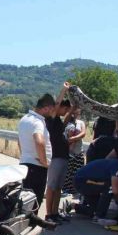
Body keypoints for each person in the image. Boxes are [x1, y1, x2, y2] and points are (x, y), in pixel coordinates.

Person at [17, 93, 58, 230]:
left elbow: (19, 141)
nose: (52, 113)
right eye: (51, 110)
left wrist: (25, 155)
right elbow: (39, 141)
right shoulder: (37, 122)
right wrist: (44, 161)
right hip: (37, 167)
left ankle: (24, 230)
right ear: (46, 108)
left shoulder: (24, 119)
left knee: (26, 201)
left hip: (25, 164)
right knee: (35, 203)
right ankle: (31, 234)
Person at [45, 82, 71, 224]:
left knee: (58, 187)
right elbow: (57, 105)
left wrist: (72, 110)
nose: (65, 112)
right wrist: (64, 90)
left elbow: (65, 121)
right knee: (52, 186)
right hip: (55, 157)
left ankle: (55, 213)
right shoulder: (51, 119)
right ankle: (49, 214)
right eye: (65, 109)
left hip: (63, 156)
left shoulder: (59, 122)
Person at [73, 157, 118, 224]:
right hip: (82, 181)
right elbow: (116, 191)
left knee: (97, 209)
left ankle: (74, 206)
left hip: (85, 181)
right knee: (110, 188)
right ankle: (99, 217)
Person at [63, 107, 86, 195]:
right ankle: (65, 190)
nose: (76, 115)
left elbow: (83, 133)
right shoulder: (66, 122)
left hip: (78, 151)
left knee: (78, 173)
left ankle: (77, 190)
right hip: (67, 152)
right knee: (67, 173)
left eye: (78, 113)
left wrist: (73, 138)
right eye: (74, 113)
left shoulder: (81, 123)